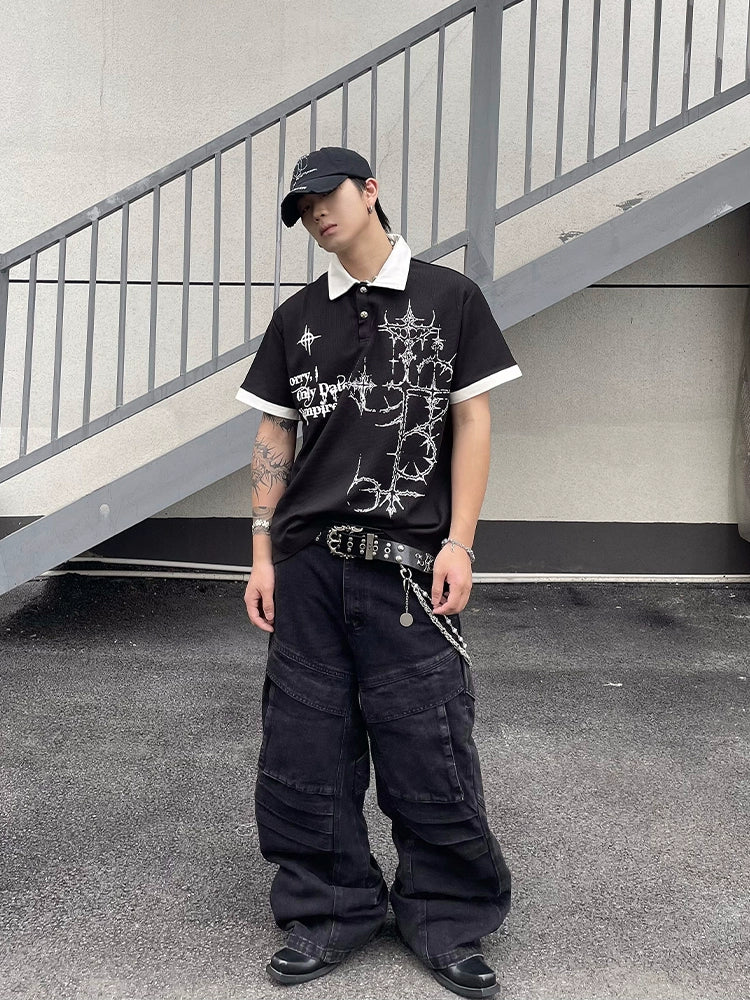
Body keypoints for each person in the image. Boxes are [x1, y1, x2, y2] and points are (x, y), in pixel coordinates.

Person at [236, 146, 522, 999]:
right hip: (310, 567)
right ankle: (328, 913)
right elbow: (274, 435)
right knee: (306, 748)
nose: (317, 215)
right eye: (302, 209)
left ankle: (447, 916)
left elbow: (473, 420)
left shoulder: (447, 297)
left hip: (408, 567)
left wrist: (460, 542)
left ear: (369, 191)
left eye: (327, 196)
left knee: (427, 745)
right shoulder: (297, 318)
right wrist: (261, 556)